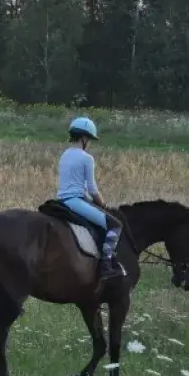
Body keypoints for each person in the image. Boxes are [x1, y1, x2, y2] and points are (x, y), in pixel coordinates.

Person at [56, 116, 126, 281]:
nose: (89, 143)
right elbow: (93, 189)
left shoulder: (65, 154)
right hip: (75, 202)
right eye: (89, 140)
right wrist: (103, 205)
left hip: (60, 201)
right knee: (115, 225)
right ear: (84, 138)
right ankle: (106, 266)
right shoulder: (87, 158)